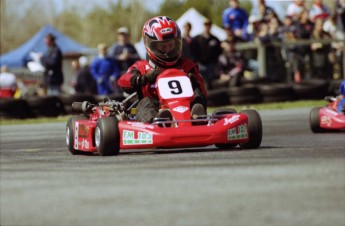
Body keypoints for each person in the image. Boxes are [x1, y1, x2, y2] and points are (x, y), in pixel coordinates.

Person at [117, 16, 207, 123]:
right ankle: (159, 121)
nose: (167, 50)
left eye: (170, 45)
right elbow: (123, 81)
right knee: (145, 102)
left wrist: (191, 80)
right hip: (155, 108)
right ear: (150, 45)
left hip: (186, 109)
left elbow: (203, 92)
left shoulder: (187, 66)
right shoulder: (141, 67)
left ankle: (198, 117)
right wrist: (142, 78)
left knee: (197, 90)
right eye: (162, 46)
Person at [192, 18, 222, 90]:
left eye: (209, 25)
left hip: (211, 65)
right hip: (200, 65)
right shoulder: (197, 39)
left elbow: (219, 51)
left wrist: (215, 62)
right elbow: (193, 51)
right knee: (201, 82)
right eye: (206, 25)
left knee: (212, 82)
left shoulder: (215, 39)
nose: (207, 27)